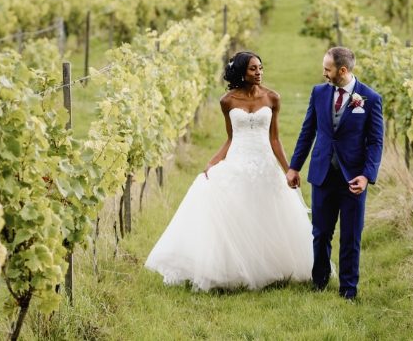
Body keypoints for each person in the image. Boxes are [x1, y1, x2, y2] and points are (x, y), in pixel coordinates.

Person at [145, 51, 313, 291]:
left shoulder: (273, 98)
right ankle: (237, 270)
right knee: (239, 213)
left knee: (268, 213)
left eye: (260, 68)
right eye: (253, 69)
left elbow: (275, 139)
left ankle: (271, 269)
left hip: (265, 163)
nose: (259, 73)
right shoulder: (227, 101)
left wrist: (289, 170)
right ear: (242, 72)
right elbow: (231, 138)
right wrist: (213, 161)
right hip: (239, 161)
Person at [287, 47, 384, 302]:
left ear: (342, 70)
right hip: (322, 173)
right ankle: (319, 282)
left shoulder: (370, 99)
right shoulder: (319, 92)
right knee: (320, 232)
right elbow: (307, 131)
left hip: (353, 178)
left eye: (327, 69)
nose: (323, 73)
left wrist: (366, 175)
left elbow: (375, 142)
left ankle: (348, 291)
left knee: (351, 236)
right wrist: (294, 166)